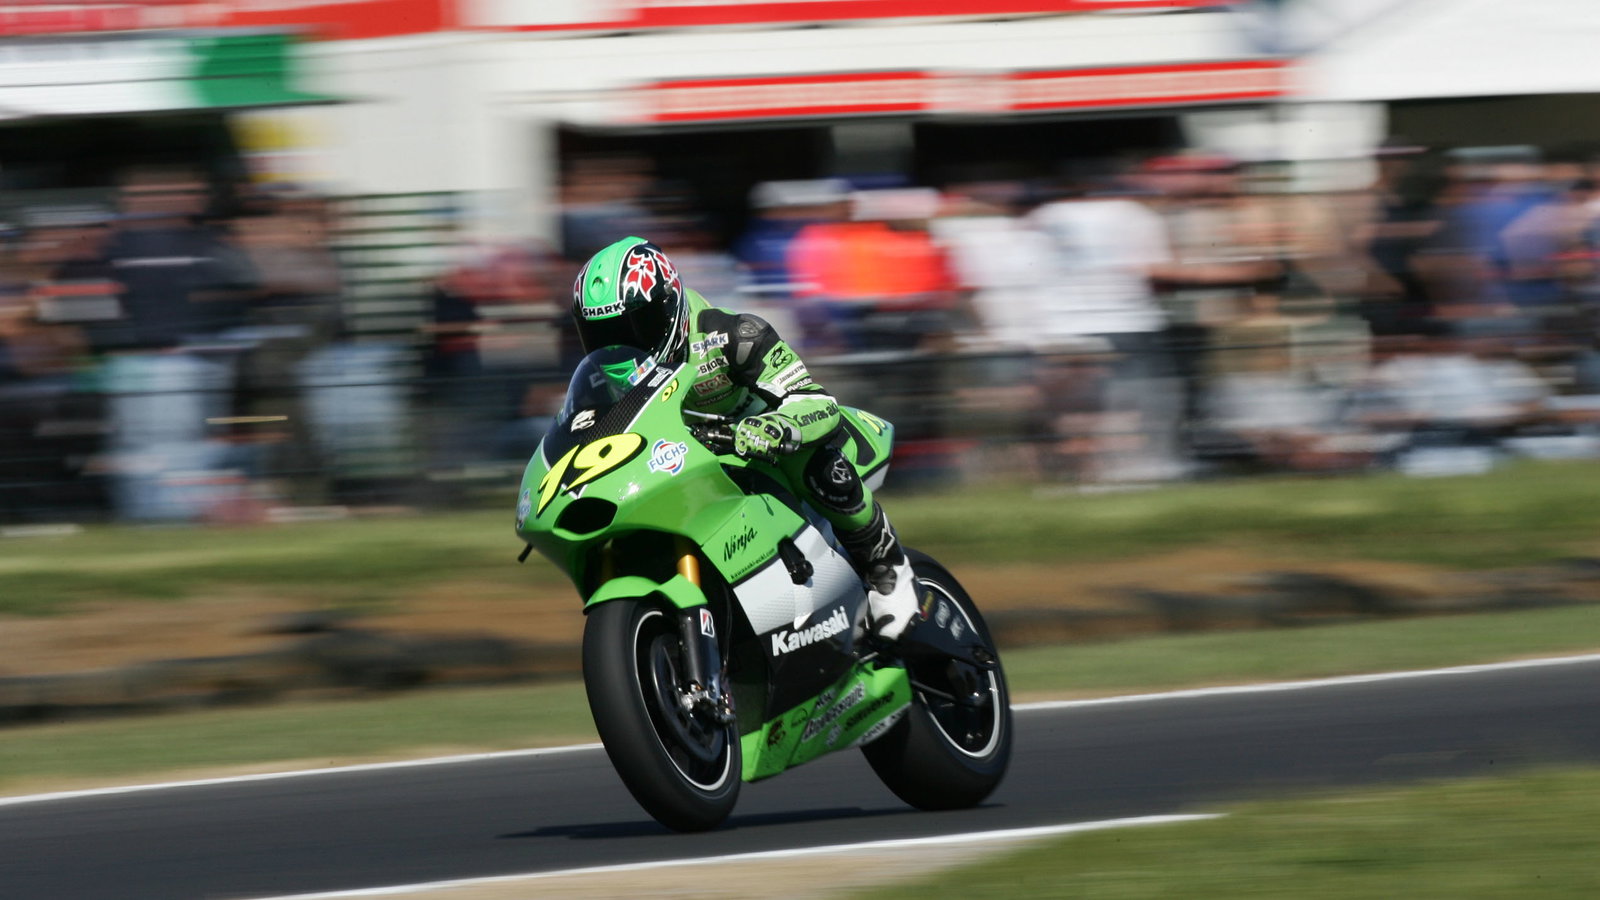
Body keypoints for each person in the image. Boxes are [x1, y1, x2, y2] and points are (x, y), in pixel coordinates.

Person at [569, 236, 921, 641]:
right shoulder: (601, 379)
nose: (619, 347)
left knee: (810, 459)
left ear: (669, 310)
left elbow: (816, 401)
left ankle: (887, 568)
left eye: (633, 328)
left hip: (768, 455)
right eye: (602, 335)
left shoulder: (736, 335)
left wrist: (776, 426)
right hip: (692, 468)